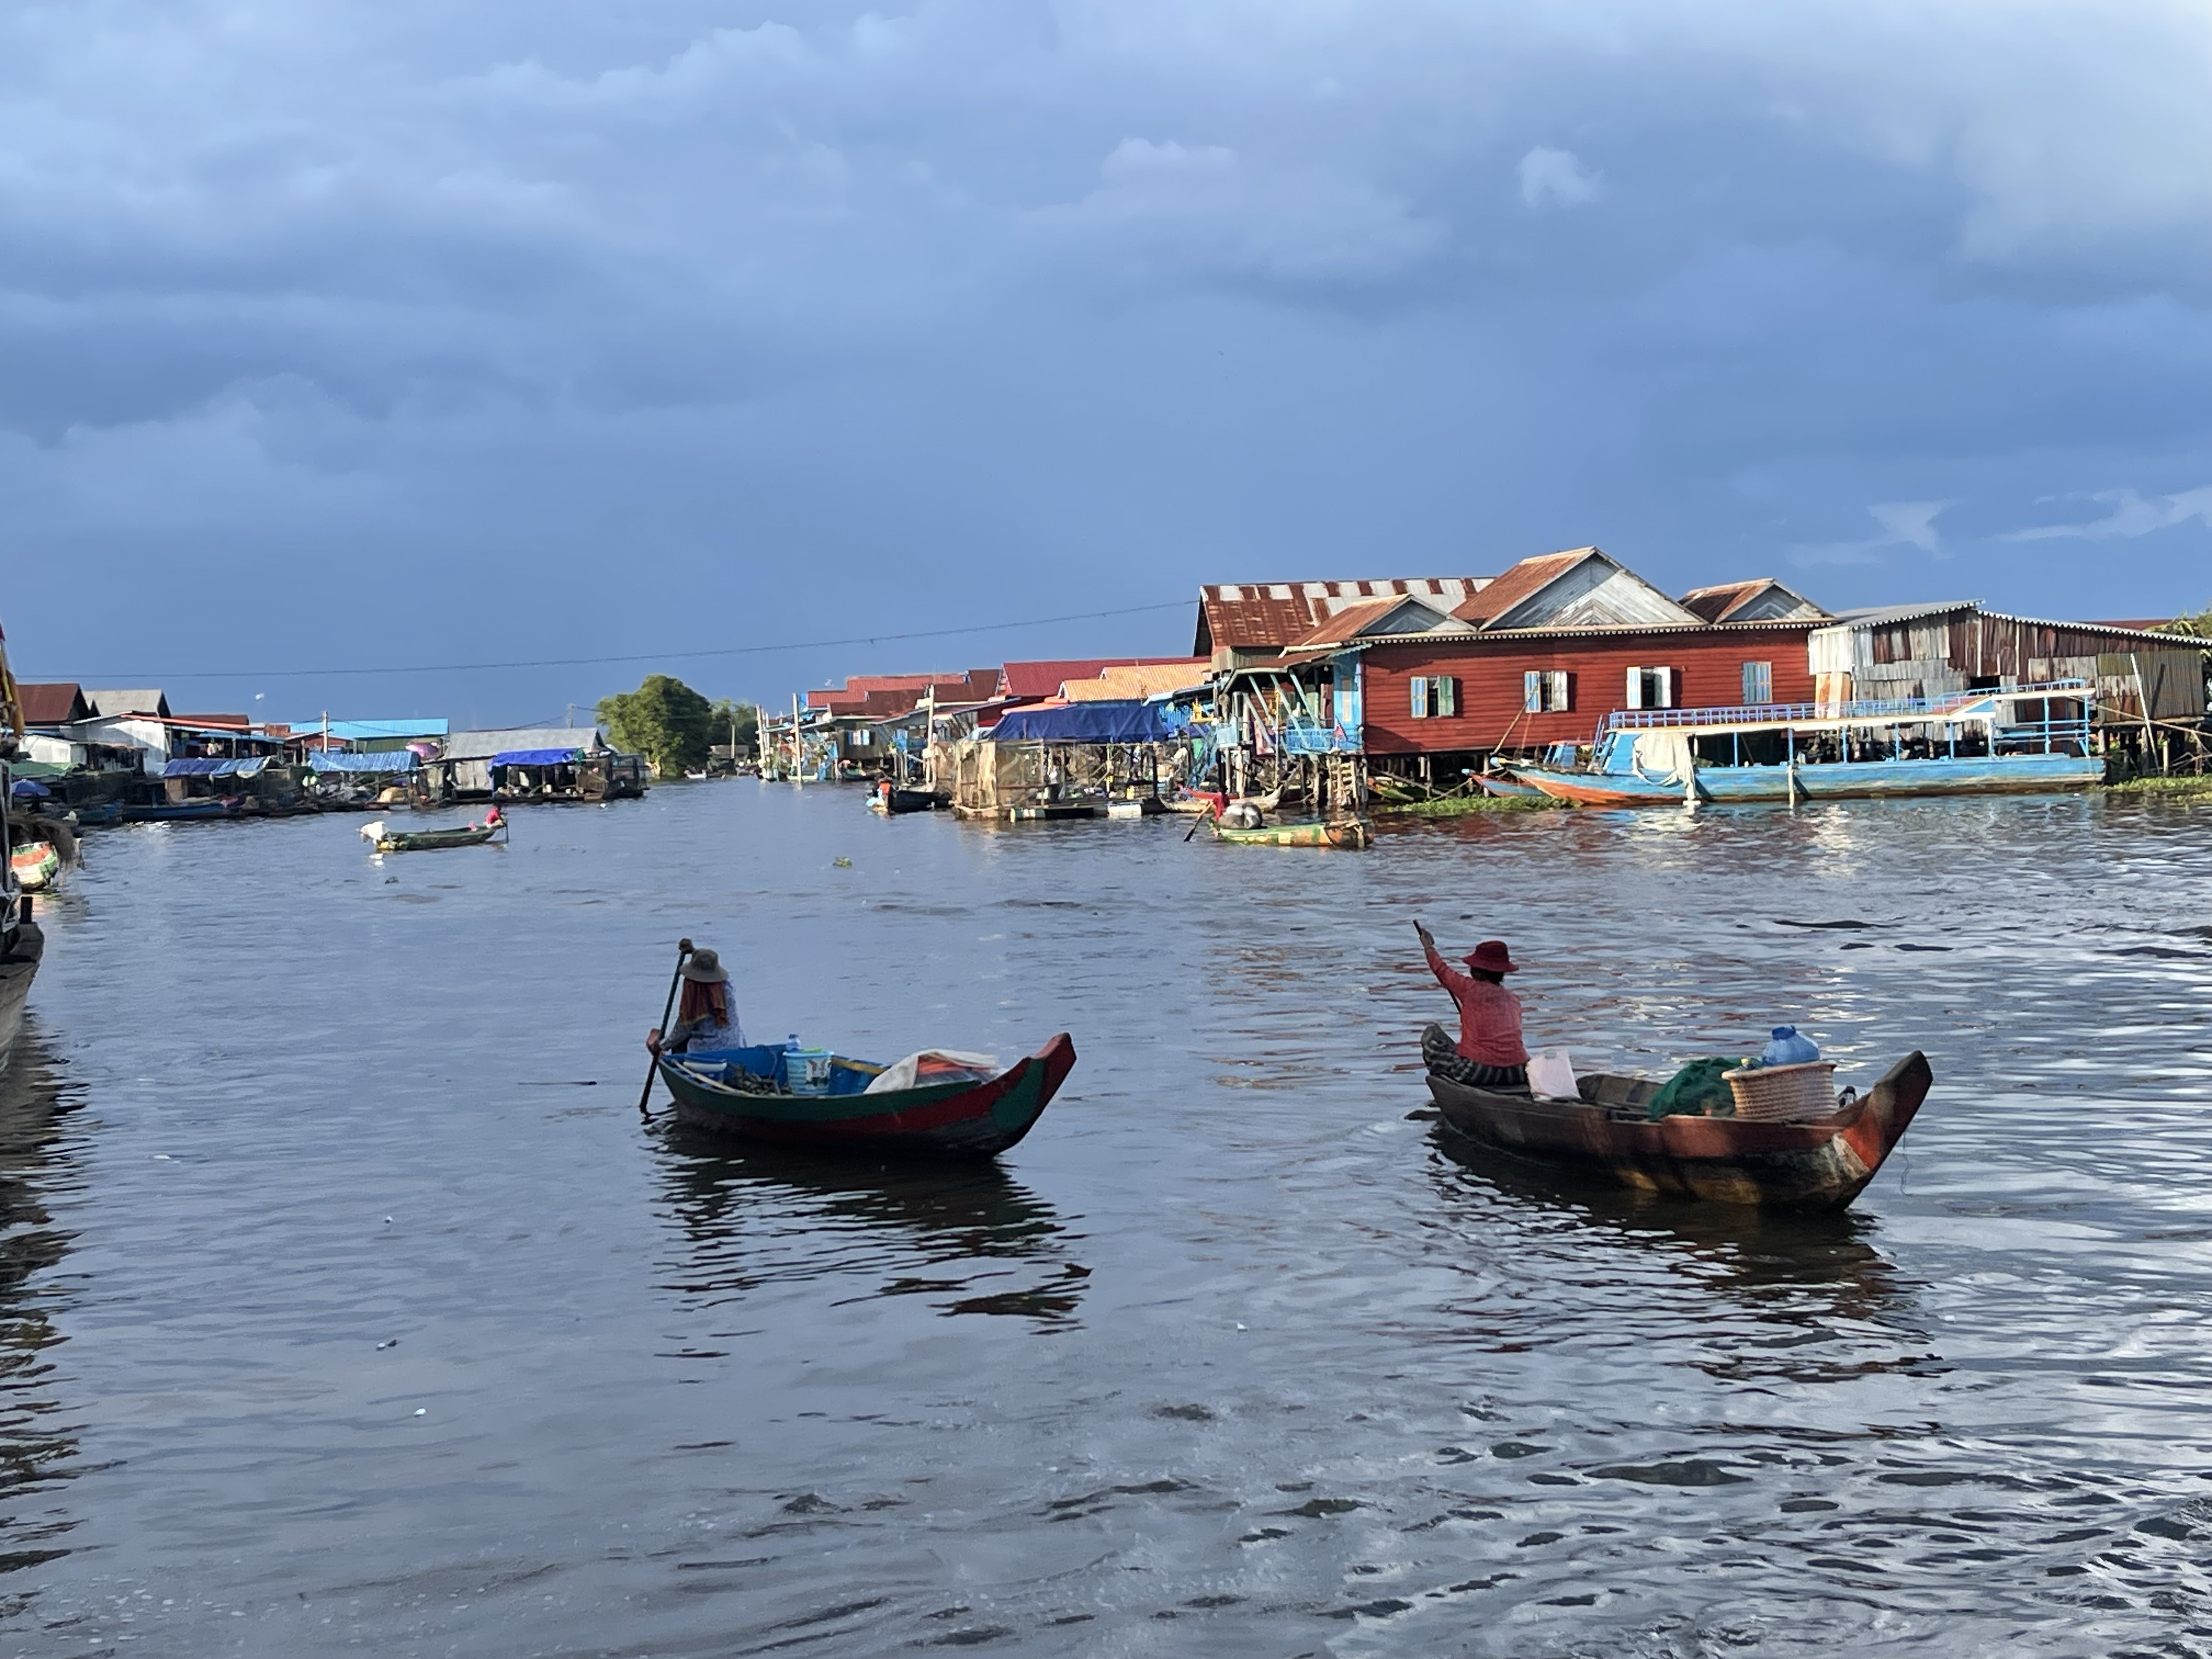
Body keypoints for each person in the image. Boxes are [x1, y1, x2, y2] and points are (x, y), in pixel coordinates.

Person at [1414, 921, 1528, 1088]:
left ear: (1477, 970)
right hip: (1518, 1071)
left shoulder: (1471, 989)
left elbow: (1442, 970)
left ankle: (1452, 1091)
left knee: (1432, 1037)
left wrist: (1428, 947)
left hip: (1479, 1072)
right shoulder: (1513, 999)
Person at [647, 947, 745, 1056]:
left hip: (705, 1053)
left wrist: (661, 1046)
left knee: (678, 1044)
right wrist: (693, 951)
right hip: (735, 1046)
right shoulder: (727, 985)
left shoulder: (698, 999)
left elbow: (682, 1031)